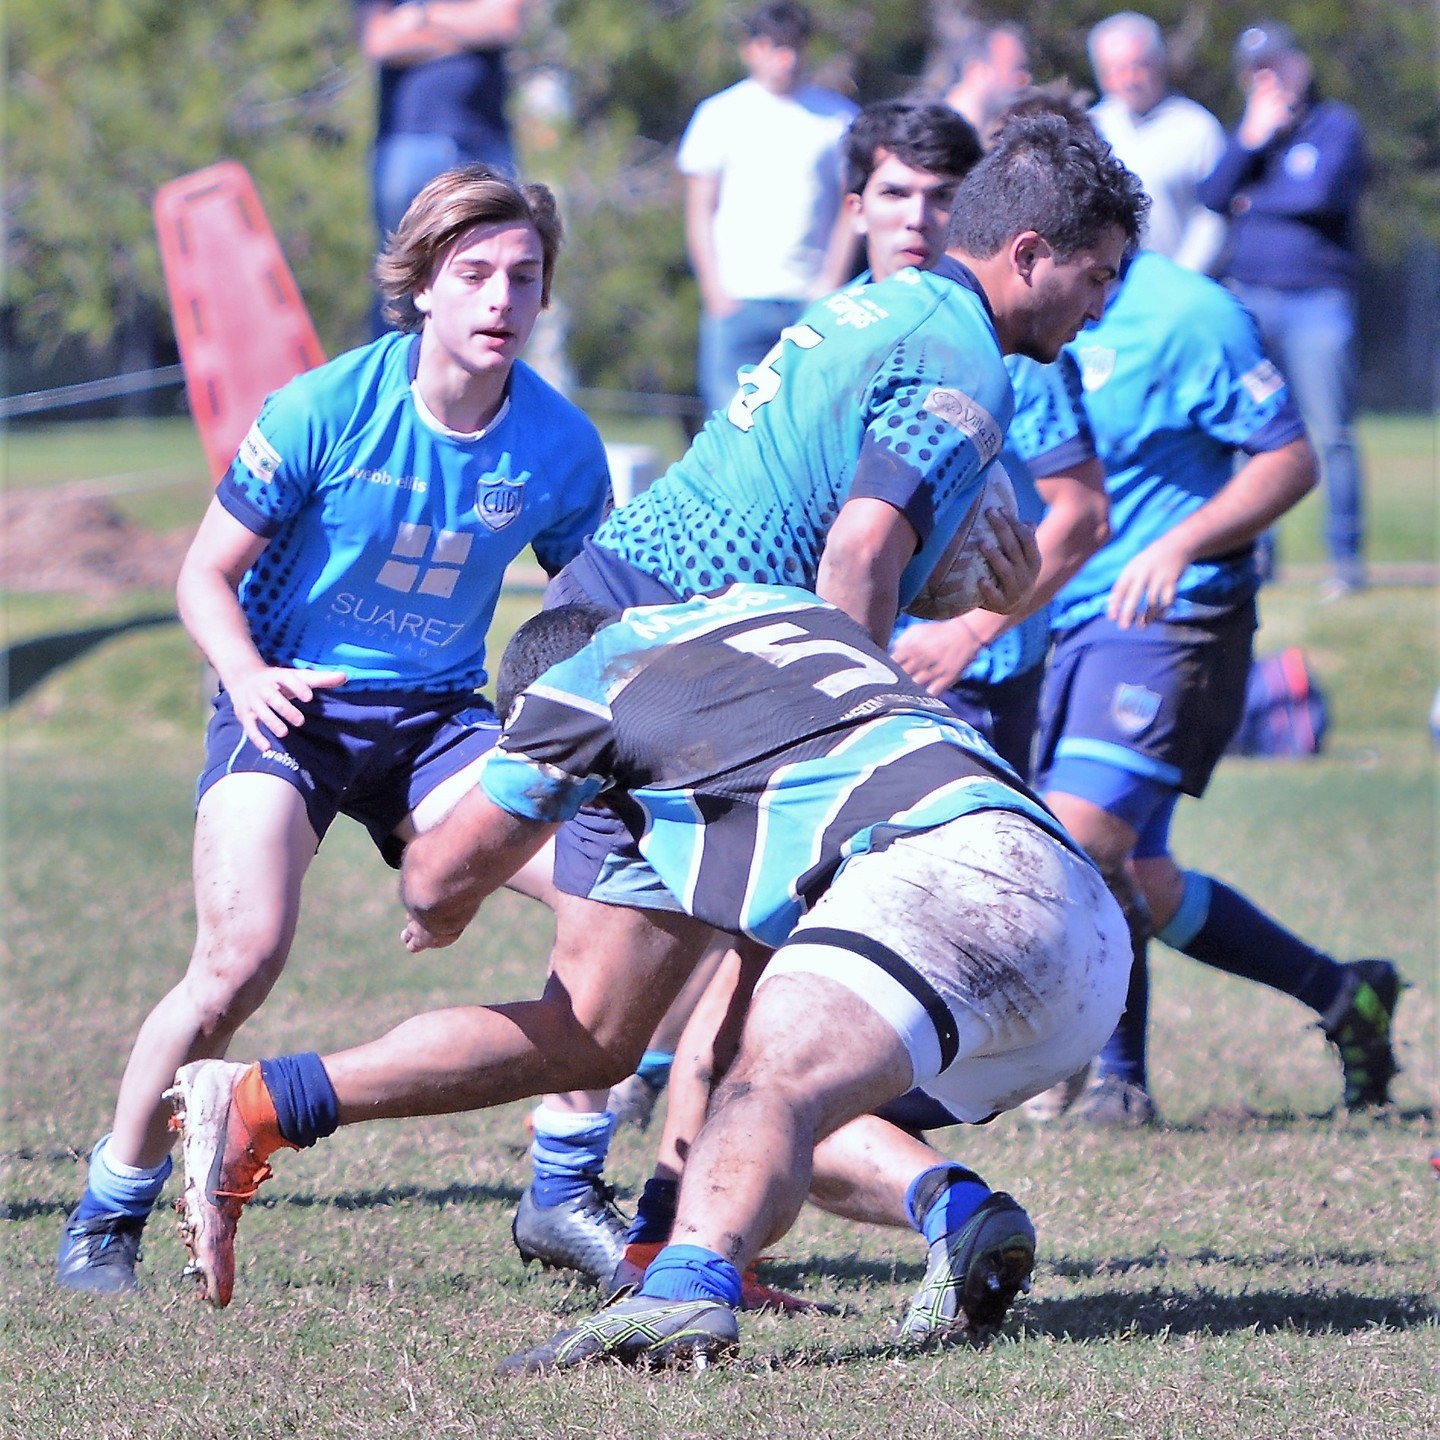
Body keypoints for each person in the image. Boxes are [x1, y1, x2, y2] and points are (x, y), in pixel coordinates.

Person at [160, 112, 1148, 1313]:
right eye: (1095, 278)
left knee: (600, 1033)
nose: (1097, 306)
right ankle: (681, 1243)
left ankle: (269, 1103)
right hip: (683, 668)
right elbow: (859, 556)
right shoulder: (965, 362)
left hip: (632, 638)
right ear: (1032, 252)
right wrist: (862, 720)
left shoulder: (891, 306)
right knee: (743, 985)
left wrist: (952, 553)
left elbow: (852, 516)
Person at [169, 585, 1131, 1361]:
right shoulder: (767, 617)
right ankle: (955, 1213)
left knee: (773, 1089)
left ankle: (681, 1295)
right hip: (1078, 936)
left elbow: (435, 876)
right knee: (774, 1106)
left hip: (937, 872)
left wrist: (446, 902)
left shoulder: (584, 692)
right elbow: (602, 1031)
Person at [55, 166, 611, 1297]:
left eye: (524, 276)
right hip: (293, 703)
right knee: (236, 962)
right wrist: (248, 675)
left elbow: (600, 608)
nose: (502, 297)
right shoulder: (323, 408)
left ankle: (564, 1179)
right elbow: (203, 575)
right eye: (475, 275)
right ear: (421, 288)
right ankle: (110, 1207)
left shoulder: (560, 448)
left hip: (438, 725)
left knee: (610, 897)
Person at [1028, 246, 1402, 1126]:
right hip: (1063, 617)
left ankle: (1117, 1080)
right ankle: (1345, 995)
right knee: (1145, 877)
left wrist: (1178, 543)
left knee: (1080, 842)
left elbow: (1289, 460)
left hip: (1171, 618)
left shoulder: (1192, 314)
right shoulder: (1013, 311)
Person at [1197, 20, 1370, 598]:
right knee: (1250, 433)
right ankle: (1257, 555)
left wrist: (1256, 201)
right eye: (1256, 71)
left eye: (1277, 65)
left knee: (1332, 434)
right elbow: (1215, 198)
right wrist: (1249, 140)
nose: (1269, 78)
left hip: (1317, 302)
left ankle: (1344, 562)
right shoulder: (1249, 135)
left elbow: (1320, 196)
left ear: (1300, 66)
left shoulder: (1337, 127)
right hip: (1249, 299)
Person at [677, 1, 859, 416]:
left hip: (809, 298)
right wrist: (714, 289)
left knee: (810, 418)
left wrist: (830, 282)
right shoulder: (719, 115)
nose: (786, 59)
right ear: (751, 49)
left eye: (794, 46)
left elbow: (853, 206)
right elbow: (700, 209)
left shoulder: (838, 118)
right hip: (739, 298)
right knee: (730, 421)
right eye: (774, 46)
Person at [356, 1, 528, 241]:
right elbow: (380, 41)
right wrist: (470, 32)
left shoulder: (421, 13)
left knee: (497, 249)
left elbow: (503, 22)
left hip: (486, 141)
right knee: (402, 260)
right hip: (409, 142)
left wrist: (423, 17)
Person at [1087, 12, 1228, 273]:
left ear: (1160, 64)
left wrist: (1183, 276)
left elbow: (1214, 214)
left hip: (1182, 286)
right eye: (1117, 69)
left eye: (1138, 65)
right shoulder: (1091, 128)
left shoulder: (1197, 128)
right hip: (1107, 293)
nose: (1129, 79)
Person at [938, 22, 1031, 141]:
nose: (1025, 79)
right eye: (1016, 68)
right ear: (976, 71)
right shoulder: (939, 139)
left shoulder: (979, 139)